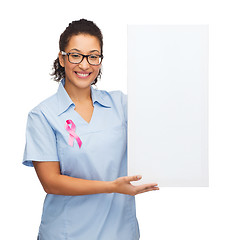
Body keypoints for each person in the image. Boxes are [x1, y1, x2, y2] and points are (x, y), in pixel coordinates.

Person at [23, 19, 159, 240]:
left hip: (120, 232)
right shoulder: (43, 115)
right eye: (76, 55)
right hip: (66, 233)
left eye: (93, 56)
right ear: (62, 58)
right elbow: (51, 182)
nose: (85, 65)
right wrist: (112, 186)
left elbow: (162, 122)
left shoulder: (121, 105)